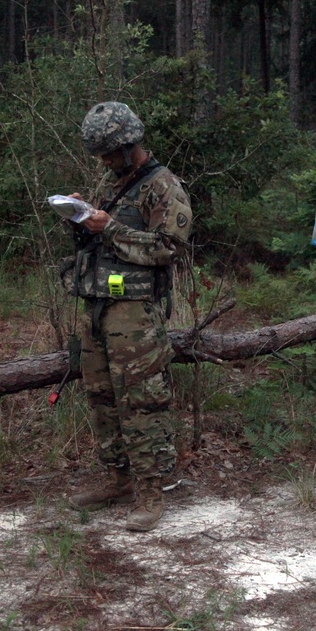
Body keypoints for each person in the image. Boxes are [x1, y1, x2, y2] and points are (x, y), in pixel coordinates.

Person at [63, 101, 192, 532]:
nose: (101, 161)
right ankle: (117, 479)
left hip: (135, 316)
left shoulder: (164, 187)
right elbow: (101, 243)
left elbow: (167, 249)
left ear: (126, 146)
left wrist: (110, 227)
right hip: (99, 308)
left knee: (143, 400)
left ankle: (151, 494)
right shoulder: (118, 183)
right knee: (101, 398)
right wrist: (81, 217)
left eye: (105, 153)